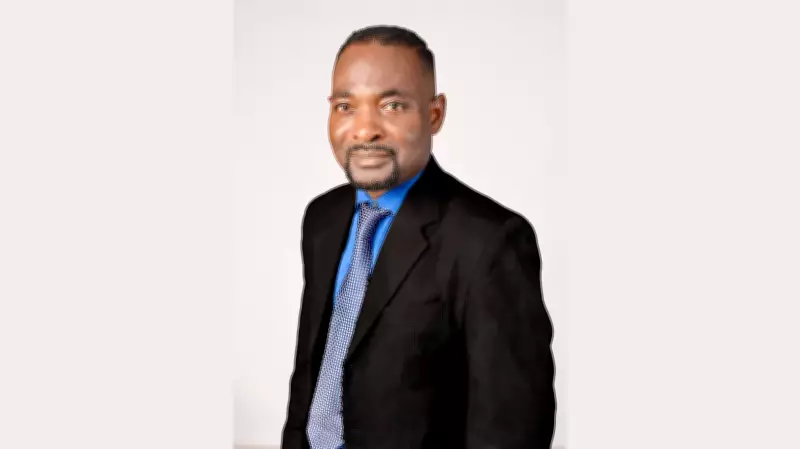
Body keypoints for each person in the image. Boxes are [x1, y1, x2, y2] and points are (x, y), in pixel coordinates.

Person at [281, 25, 555, 449]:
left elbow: (511, 430)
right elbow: (311, 377)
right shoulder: (322, 218)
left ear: (435, 114)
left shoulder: (490, 242)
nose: (364, 130)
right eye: (345, 106)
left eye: (392, 105)